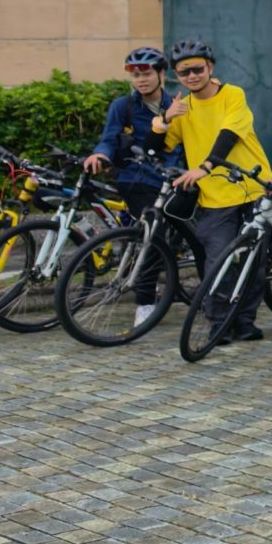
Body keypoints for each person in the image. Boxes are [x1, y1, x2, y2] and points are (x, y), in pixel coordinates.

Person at [159, 37, 272, 344]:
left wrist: (206, 166)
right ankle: (219, 323)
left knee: (255, 260)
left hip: (253, 188)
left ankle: (246, 321)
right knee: (218, 260)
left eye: (197, 69)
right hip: (214, 197)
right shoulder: (182, 107)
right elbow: (158, 146)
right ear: (177, 76)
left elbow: (229, 134)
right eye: (184, 72)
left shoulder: (232, 94)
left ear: (210, 67)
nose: (192, 76)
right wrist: (164, 120)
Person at [81, 45, 177, 330]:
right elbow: (109, 139)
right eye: (135, 75)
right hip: (134, 179)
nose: (141, 80)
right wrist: (100, 155)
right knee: (149, 235)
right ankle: (146, 302)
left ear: (161, 74)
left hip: (170, 179)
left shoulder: (177, 105)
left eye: (146, 73)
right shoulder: (123, 107)